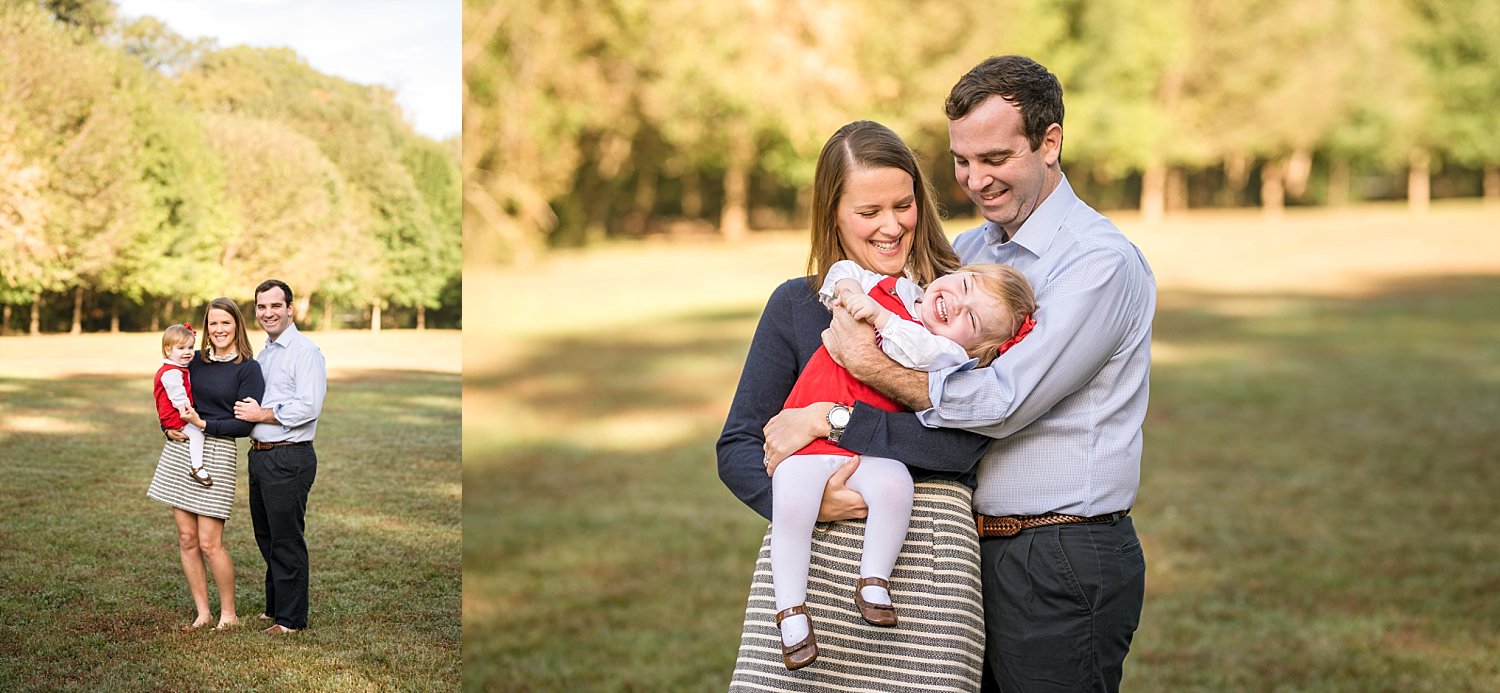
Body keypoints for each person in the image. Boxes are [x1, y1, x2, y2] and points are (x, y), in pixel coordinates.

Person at [821, 56, 1157, 692]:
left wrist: (864, 367)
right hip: (963, 548)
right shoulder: (969, 254)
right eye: (961, 161)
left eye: (995, 159)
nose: (975, 180)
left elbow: (1003, 400)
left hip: (1057, 552)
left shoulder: (1098, 263)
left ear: (1049, 142)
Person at [718, 120, 993, 691]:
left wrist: (829, 421)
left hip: (928, 561)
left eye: (903, 205)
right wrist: (811, 505)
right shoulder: (798, 304)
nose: (892, 226)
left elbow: (965, 444)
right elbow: (738, 446)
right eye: (869, 212)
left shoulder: (954, 303)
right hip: (810, 568)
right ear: (833, 214)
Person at [767, 258, 1036, 670]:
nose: (955, 304)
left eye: (972, 318)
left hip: (865, 450)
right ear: (953, 273)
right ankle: (791, 612)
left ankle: (873, 581)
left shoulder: (947, 353)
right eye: (964, 285)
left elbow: (915, 349)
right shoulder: (896, 289)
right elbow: (842, 270)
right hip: (809, 444)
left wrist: (876, 318)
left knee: (895, 485)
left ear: (975, 350)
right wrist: (849, 293)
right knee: (790, 504)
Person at [148, 297, 265, 631]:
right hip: (183, 447)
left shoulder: (248, 368)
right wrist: (167, 429)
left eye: (225, 323)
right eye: (213, 323)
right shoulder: (193, 360)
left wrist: (204, 425)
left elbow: (245, 426)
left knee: (209, 542)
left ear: (237, 326)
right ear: (206, 328)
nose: (219, 329)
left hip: (218, 450)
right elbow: (166, 394)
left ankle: (229, 614)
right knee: (186, 538)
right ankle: (203, 612)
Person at [234, 279, 326, 635]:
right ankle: (275, 606)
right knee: (267, 536)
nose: (268, 313)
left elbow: (309, 406)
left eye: (275, 306)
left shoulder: (304, 351)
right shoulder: (267, 351)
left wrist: (263, 415)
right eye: (261, 307)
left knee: (286, 537)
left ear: (290, 308)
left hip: (289, 457)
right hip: (260, 456)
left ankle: (291, 620)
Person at [154, 323, 212, 487]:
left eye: (190, 347)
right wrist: (191, 415)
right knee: (197, 434)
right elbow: (178, 397)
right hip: (176, 416)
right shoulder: (171, 372)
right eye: (181, 348)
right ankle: (196, 467)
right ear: (168, 350)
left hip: (175, 415)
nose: (187, 352)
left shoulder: (177, 368)